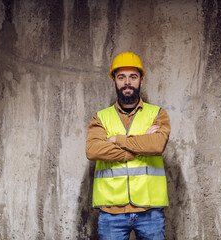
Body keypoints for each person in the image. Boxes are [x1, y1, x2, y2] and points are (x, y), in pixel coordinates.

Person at [85, 52, 171, 240]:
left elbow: (156, 145)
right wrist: (139, 147)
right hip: (111, 212)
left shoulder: (157, 114)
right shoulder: (100, 117)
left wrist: (117, 139)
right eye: (121, 77)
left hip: (150, 211)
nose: (127, 82)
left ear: (141, 81)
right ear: (114, 81)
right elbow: (93, 150)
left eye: (133, 77)